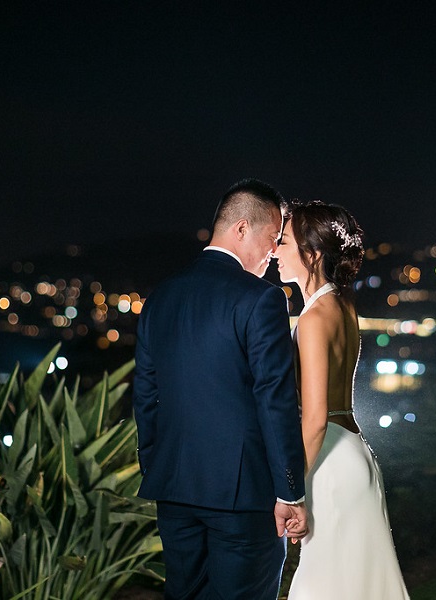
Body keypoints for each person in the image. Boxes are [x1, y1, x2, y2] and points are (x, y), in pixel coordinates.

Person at [133, 179, 308, 600]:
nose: (272, 253)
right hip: (243, 497)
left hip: (174, 488)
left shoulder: (160, 298)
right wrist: (289, 491)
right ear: (242, 228)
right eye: (272, 239)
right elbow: (275, 399)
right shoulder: (261, 299)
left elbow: (144, 395)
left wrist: (155, 466)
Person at [274, 201, 410, 599]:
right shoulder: (343, 304)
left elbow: (314, 419)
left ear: (312, 253)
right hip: (353, 450)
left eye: (283, 242)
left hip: (328, 459)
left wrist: (290, 492)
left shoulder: (315, 319)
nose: (275, 250)